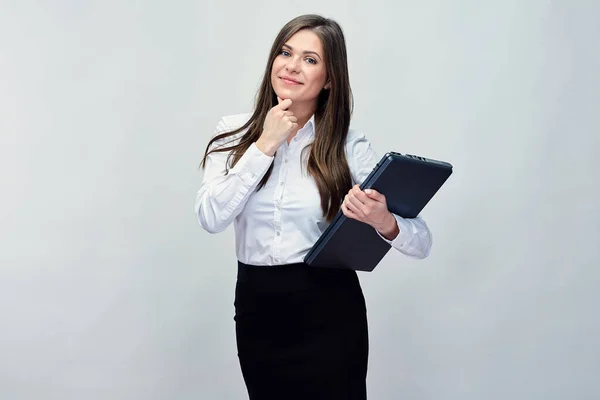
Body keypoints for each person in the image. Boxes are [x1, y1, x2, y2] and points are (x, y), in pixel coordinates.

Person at [195, 14, 432, 400]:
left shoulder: (347, 145)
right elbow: (210, 217)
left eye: (310, 59)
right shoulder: (232, 133)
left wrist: (384, 221)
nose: (291, 65)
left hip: (329, 310)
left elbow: (421, 241)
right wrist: (263, 147)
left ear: (330, 78)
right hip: (258, 309)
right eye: (286, 52)